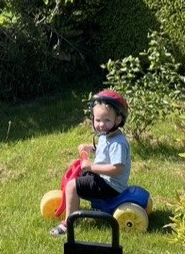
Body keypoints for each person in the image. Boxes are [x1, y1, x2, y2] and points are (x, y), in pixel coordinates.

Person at [49, 90, 131, 237]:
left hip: (111, 186)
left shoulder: (118, 143)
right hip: (105, 180)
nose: (101, 125)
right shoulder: (108, 135)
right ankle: (72, 205)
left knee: (73, 185)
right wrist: (92, 148)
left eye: (106, 120)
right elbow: (105, 152)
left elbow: (117, 168)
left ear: (118, 120)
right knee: (78, 174)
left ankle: (69, 222)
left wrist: (92, 167)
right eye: (98, 120)